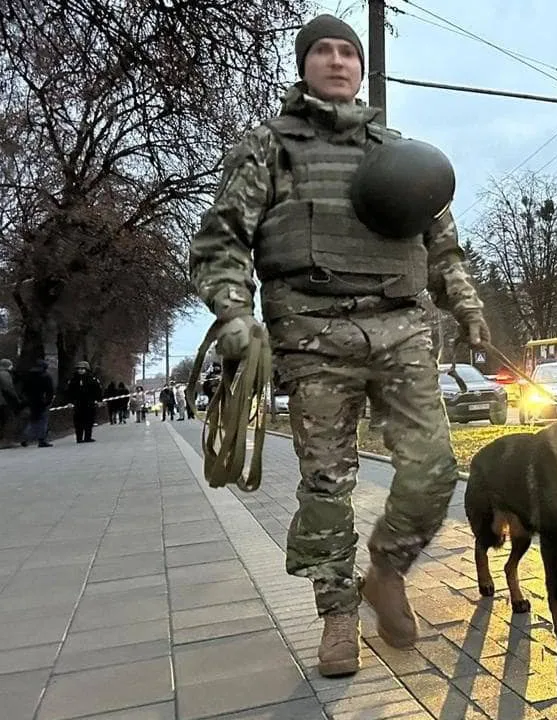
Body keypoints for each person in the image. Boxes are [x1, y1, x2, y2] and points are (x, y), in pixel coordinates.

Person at [188, 14, 489, 679]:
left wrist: (466, 307)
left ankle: (386, 569)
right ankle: (338, 614)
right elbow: (221, 241)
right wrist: (235, 314)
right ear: (305, 66)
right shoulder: (270, 148)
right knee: (327, 482)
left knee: (435, 468)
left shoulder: (398, 152)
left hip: (404, 326)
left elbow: (442, 246)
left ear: (359, 67)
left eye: (346, 50)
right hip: (314, 333)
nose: (336, 59)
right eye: (321, 50)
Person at [20, 360, 54, 447]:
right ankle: (42, 440)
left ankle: (25, 438)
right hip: (41, 401)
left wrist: (26, 400)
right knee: (43, 421)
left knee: (32, 420)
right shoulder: (46, 376)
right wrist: (48, 401)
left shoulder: (29, 375)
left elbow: (24, 389)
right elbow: (50, 391)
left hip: (31, 401)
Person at [66, 361, 102, 443]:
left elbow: (97, 391)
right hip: (78, 403)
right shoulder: (73, 380)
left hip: (89, 403)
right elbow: (69, 392)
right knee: (78, 421)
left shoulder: (92, 379)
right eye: (79, 369)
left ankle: (87, 437)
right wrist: (69, 401)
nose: (80, 370)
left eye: (82, 369)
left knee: (89, 420)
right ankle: (79, 438)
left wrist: (99, 400)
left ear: (86, 369)